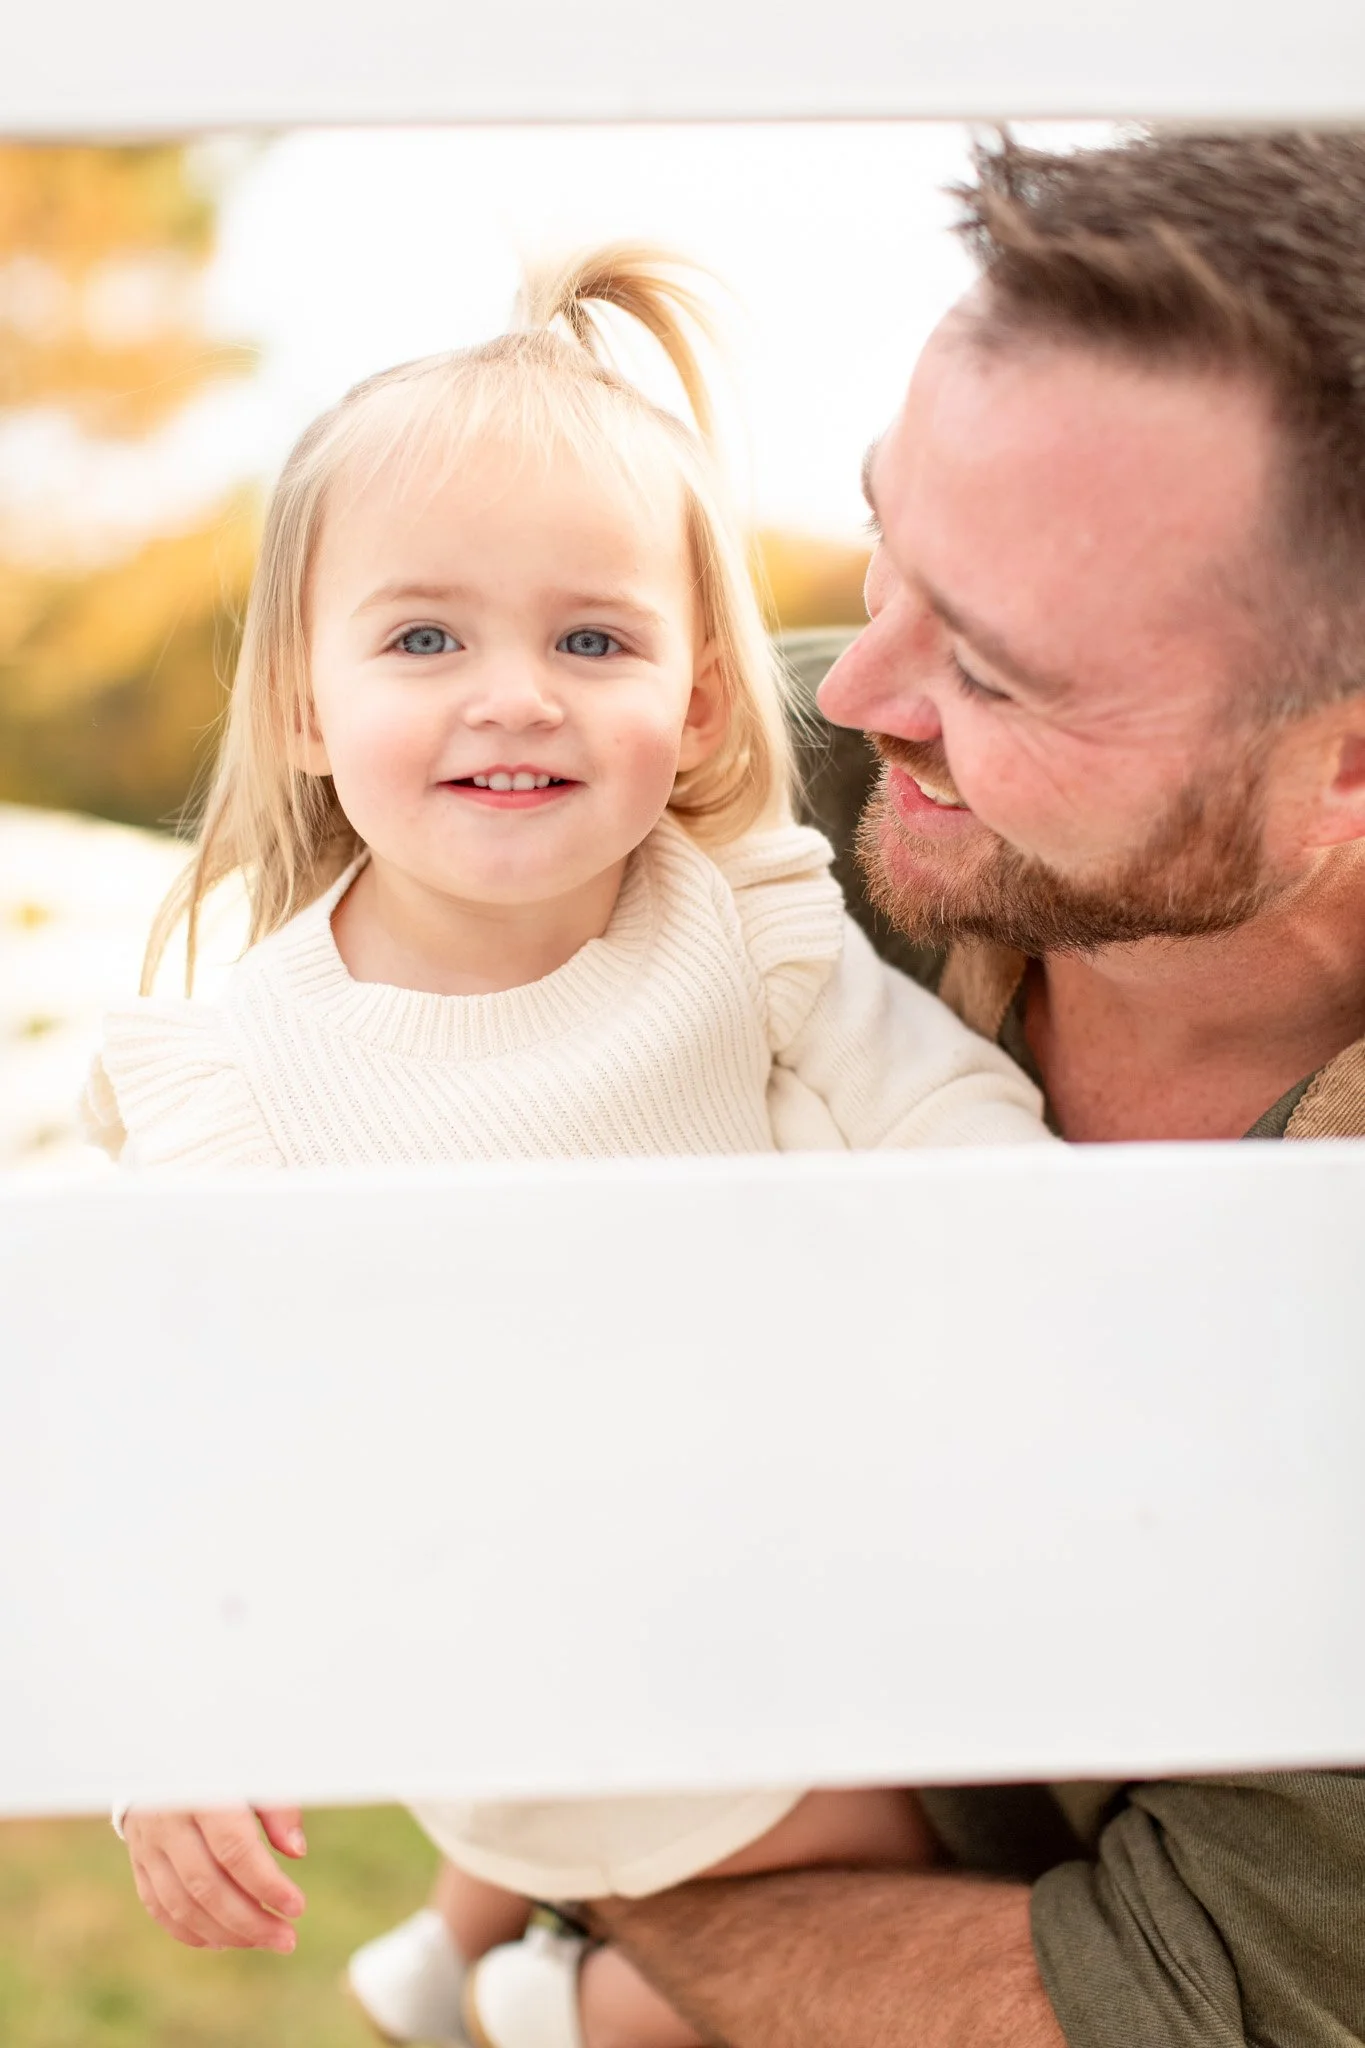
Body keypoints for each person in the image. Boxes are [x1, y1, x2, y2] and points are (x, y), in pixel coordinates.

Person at [86, 246, 1049, 2048]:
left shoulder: (738, 915)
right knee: (851, 1924)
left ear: (693, 704)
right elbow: (174, 1428)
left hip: (760, 1588)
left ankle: (474, 1963)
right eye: (425, 636)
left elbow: (929, 1097)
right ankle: (570, 1987)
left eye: (591, 639)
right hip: (535, 1670)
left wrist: (1032, 1251)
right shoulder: (244, 1076)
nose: (514, 692)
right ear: (305, 704)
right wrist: (172, 1717)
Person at [569, 130, 1365, 2048]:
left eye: (997, 670)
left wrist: (615, 1847)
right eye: (882, 541)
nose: (853, 691)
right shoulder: (746, 807)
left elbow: (1182, 2013)